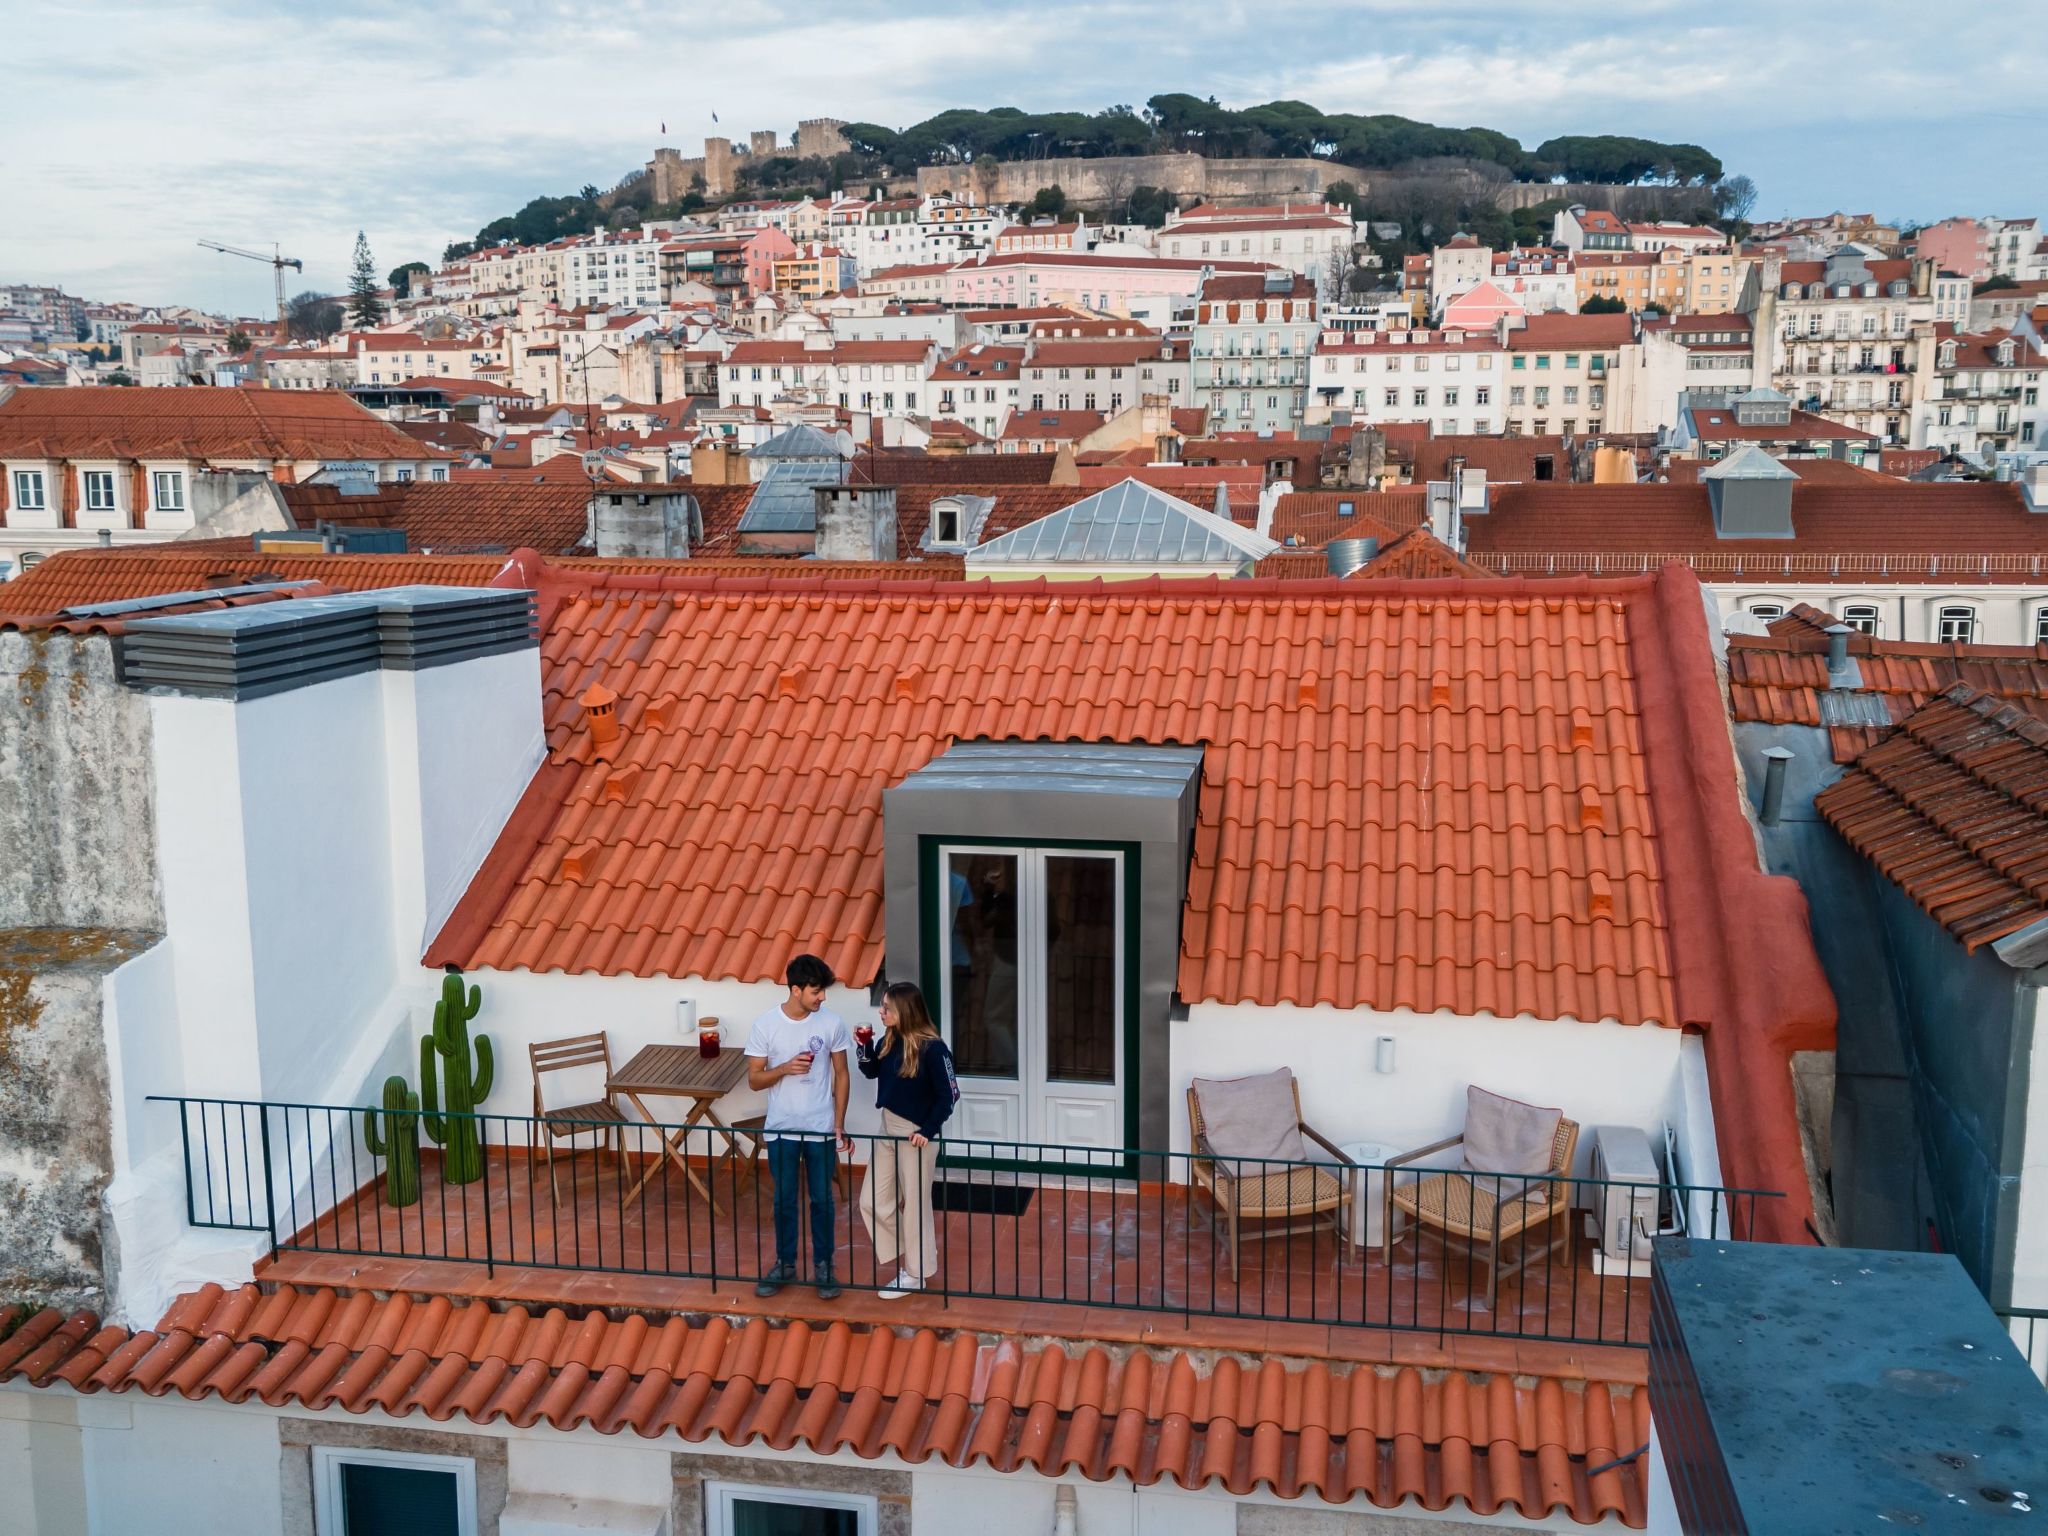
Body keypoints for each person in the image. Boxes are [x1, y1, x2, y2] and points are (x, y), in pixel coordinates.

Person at [745, 954, 852, 1299]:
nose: (822, 998)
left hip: (820, 1127)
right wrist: (784, 1069)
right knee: (784, 1200)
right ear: (795, 989)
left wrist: (838, 1124)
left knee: (823, 1200)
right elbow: (754, 1080)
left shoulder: (831, 1023)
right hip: (781, 1128)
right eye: (816, 991)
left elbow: (842, 1073)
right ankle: (785, 1263)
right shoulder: (765, 1025)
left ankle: (824, 1267)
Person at [854, 982, 957, 1298]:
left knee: (915, 1206)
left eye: (887, 1008)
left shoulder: (933, 1049)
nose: (881, 1012)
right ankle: (912, 1255)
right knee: (871, 1201)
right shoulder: (890, 1038)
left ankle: (916, 1272)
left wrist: (927, 1130)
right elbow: (872, 1072)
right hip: (888, 1129)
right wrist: (864, 1046)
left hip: (914, 1135)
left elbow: (949, 1095)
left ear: (905, 1012)